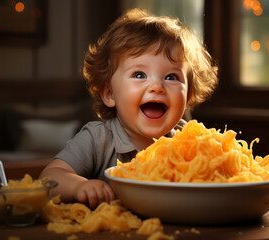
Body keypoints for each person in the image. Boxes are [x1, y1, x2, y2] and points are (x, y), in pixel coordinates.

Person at [39, 8, 218, 208]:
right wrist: (79, 187)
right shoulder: (98, 140)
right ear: (109, 94)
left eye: (171, 77)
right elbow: (49, 178)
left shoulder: (190, 141)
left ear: (188, 95)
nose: (157, 87)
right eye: (139, 75)